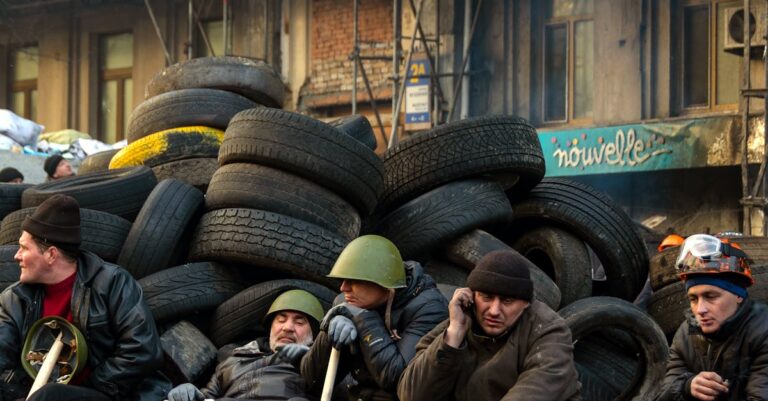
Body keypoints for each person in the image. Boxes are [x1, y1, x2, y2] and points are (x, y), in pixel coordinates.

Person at [0, 194, 169, 401]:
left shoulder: (112, 283)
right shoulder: (14, 298)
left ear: (51, 254)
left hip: (109, 394)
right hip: (38, 395)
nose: (16, 255)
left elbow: (142, 351)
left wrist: (86, 389)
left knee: (51, 395)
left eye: (24, 248)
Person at [397, 249, 581, 401]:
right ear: (472, 295)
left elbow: (533, 393)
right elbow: (410, 395)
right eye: (486, 297)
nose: (494, 310)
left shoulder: (548, 331)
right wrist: (453, 337)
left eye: (507, 301)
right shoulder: (459, 322)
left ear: (525, 304)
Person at [300, 235, 448, 401]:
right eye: (342, 279)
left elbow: (398, 380)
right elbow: (309, 382)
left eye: (354, 280)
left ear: (384, 282)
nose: (344, 287)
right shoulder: (347, 302)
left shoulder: (429, 308)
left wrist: (364, 320)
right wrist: (329, 336)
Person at [655, 234, 768, 401]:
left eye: (711, 296)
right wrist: (687, 386)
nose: (700, 310)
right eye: (693, 299)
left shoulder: (763, 331)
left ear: (738, 296)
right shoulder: (685, 334)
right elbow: (662, 395)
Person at [167, 289, 325, 401]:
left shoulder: (321, 365)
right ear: (270, 327)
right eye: (281, 319)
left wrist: (312, 358)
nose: (287, 327)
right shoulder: (233, 361)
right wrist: (186, 392)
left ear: (314, 334)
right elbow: (206, 397)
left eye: (299, 322)